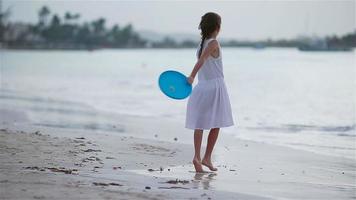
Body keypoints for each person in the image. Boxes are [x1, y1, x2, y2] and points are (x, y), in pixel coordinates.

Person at [186, 12, 234, 172]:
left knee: (200, 124)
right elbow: (202, 60)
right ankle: (205, 157)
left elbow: (202, 59)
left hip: (202, 87)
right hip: (215, 87)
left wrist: (194, 78)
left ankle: (198, 158)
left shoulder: (202, 44)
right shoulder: (213, 43)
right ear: (217, 27)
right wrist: (192, 75)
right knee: (217, 123)